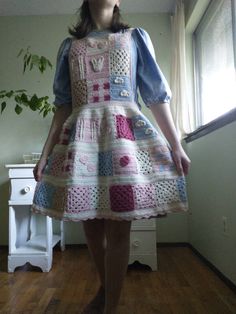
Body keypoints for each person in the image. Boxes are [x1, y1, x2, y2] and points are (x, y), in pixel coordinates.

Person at [32, 0, 191, 313]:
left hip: (123, 139)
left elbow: (155, 96)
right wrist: (45, 153)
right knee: (90, 226)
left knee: (119, 225)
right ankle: (106, 292)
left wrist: (176, 144)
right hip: (82, 141)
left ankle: (110, 307)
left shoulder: (134, 38)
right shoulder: (70, 47)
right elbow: (63, 105)